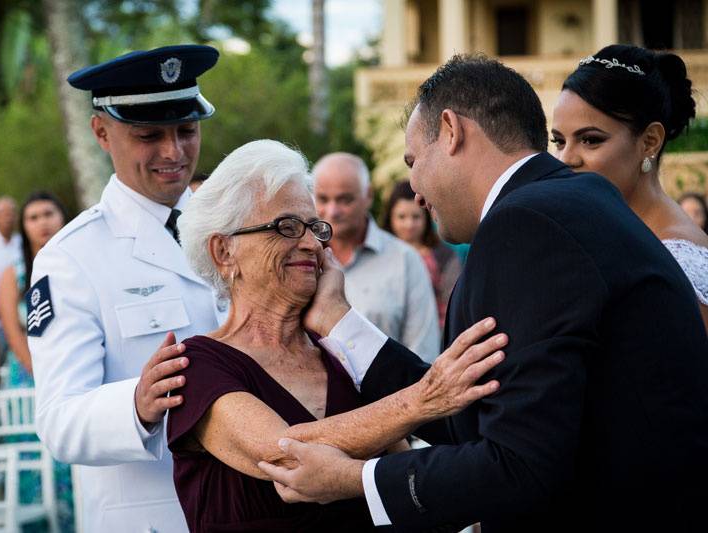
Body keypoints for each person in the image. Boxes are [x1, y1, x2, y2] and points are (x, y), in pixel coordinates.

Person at [258, 55, 708, 532]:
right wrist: (337, 321)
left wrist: (357, 479)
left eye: (413, 160)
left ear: (450, 131)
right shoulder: (571, 202)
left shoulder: (527, 223)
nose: (413, 189)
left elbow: (520, 464)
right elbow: (475, 403)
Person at [168, 139, 505, 532]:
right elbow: (286, 454)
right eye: (287, 227)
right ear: (224, 251)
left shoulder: (342, 357)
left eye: (314, 227)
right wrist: (424, 397)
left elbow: (398, 475)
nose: (313, 243)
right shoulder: (195, 367)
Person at [26, 45, 225, 532]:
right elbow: (59, 422)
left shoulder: (230, 230)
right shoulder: (70, 258)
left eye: (186, 130)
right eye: (148, 135)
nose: (173, 152)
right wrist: (136, 404)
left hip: (246, 509)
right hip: (153, 518)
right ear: (101, 133)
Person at [551, 44, 708, 330]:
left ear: (649, 141)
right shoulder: (599, 233)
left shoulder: (678, 263)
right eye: (559, 141)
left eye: (590, 139)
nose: (566, 159)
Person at [312, 152, 440, 361]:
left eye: (345, 199)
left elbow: (423, 352)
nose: (332, 211)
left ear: (368, 196)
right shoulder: (302, 259)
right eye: (323, 199)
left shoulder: (405, 260)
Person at [0, 191, 73, 531]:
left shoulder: (77, 264)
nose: (42, 222)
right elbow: (13, 333)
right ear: (24, 226)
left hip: (74, 370)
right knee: (34, 457)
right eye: (33, 217)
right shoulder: (13, 274)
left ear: (62, 216)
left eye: (48, 213)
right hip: (31, 379)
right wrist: (43, 374)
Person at [382, 180, 462, 333]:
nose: (409, 224)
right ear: (390, 218)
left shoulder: (444, 256)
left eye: (416, 217)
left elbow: (453, 305)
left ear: (426, 218)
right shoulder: (377, 255)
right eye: (401, 217)